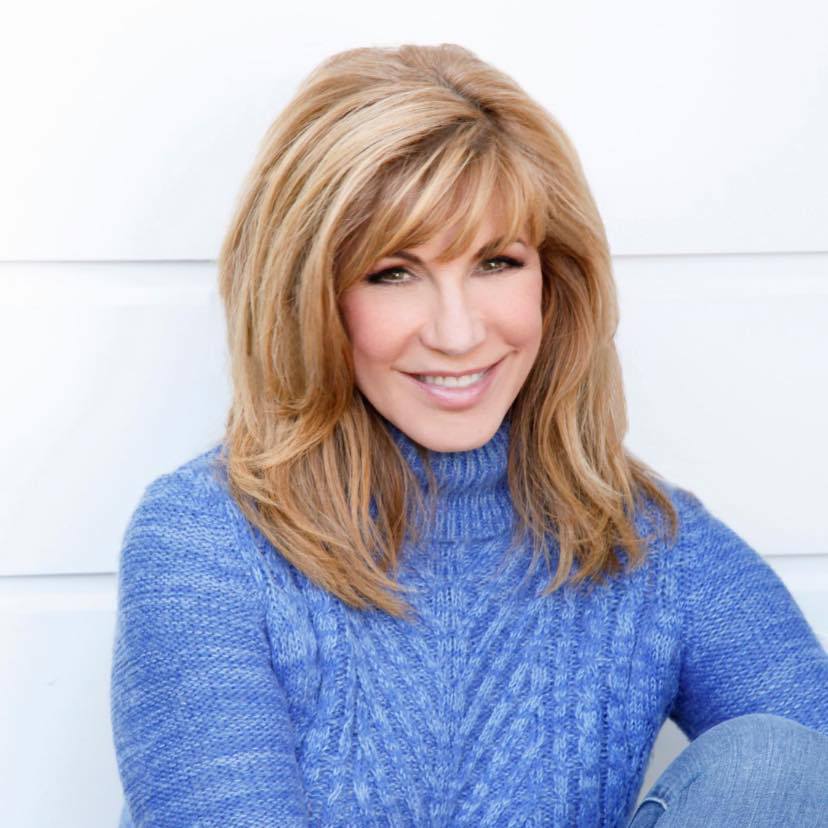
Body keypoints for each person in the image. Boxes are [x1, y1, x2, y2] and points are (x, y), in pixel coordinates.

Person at [109, 43, 828, 827]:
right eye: (392, 272)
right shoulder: (206, 542)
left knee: (776, 768)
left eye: (496, 263)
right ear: (308, 298)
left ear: (554, 280)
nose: (457, 334)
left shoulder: (652, 545)